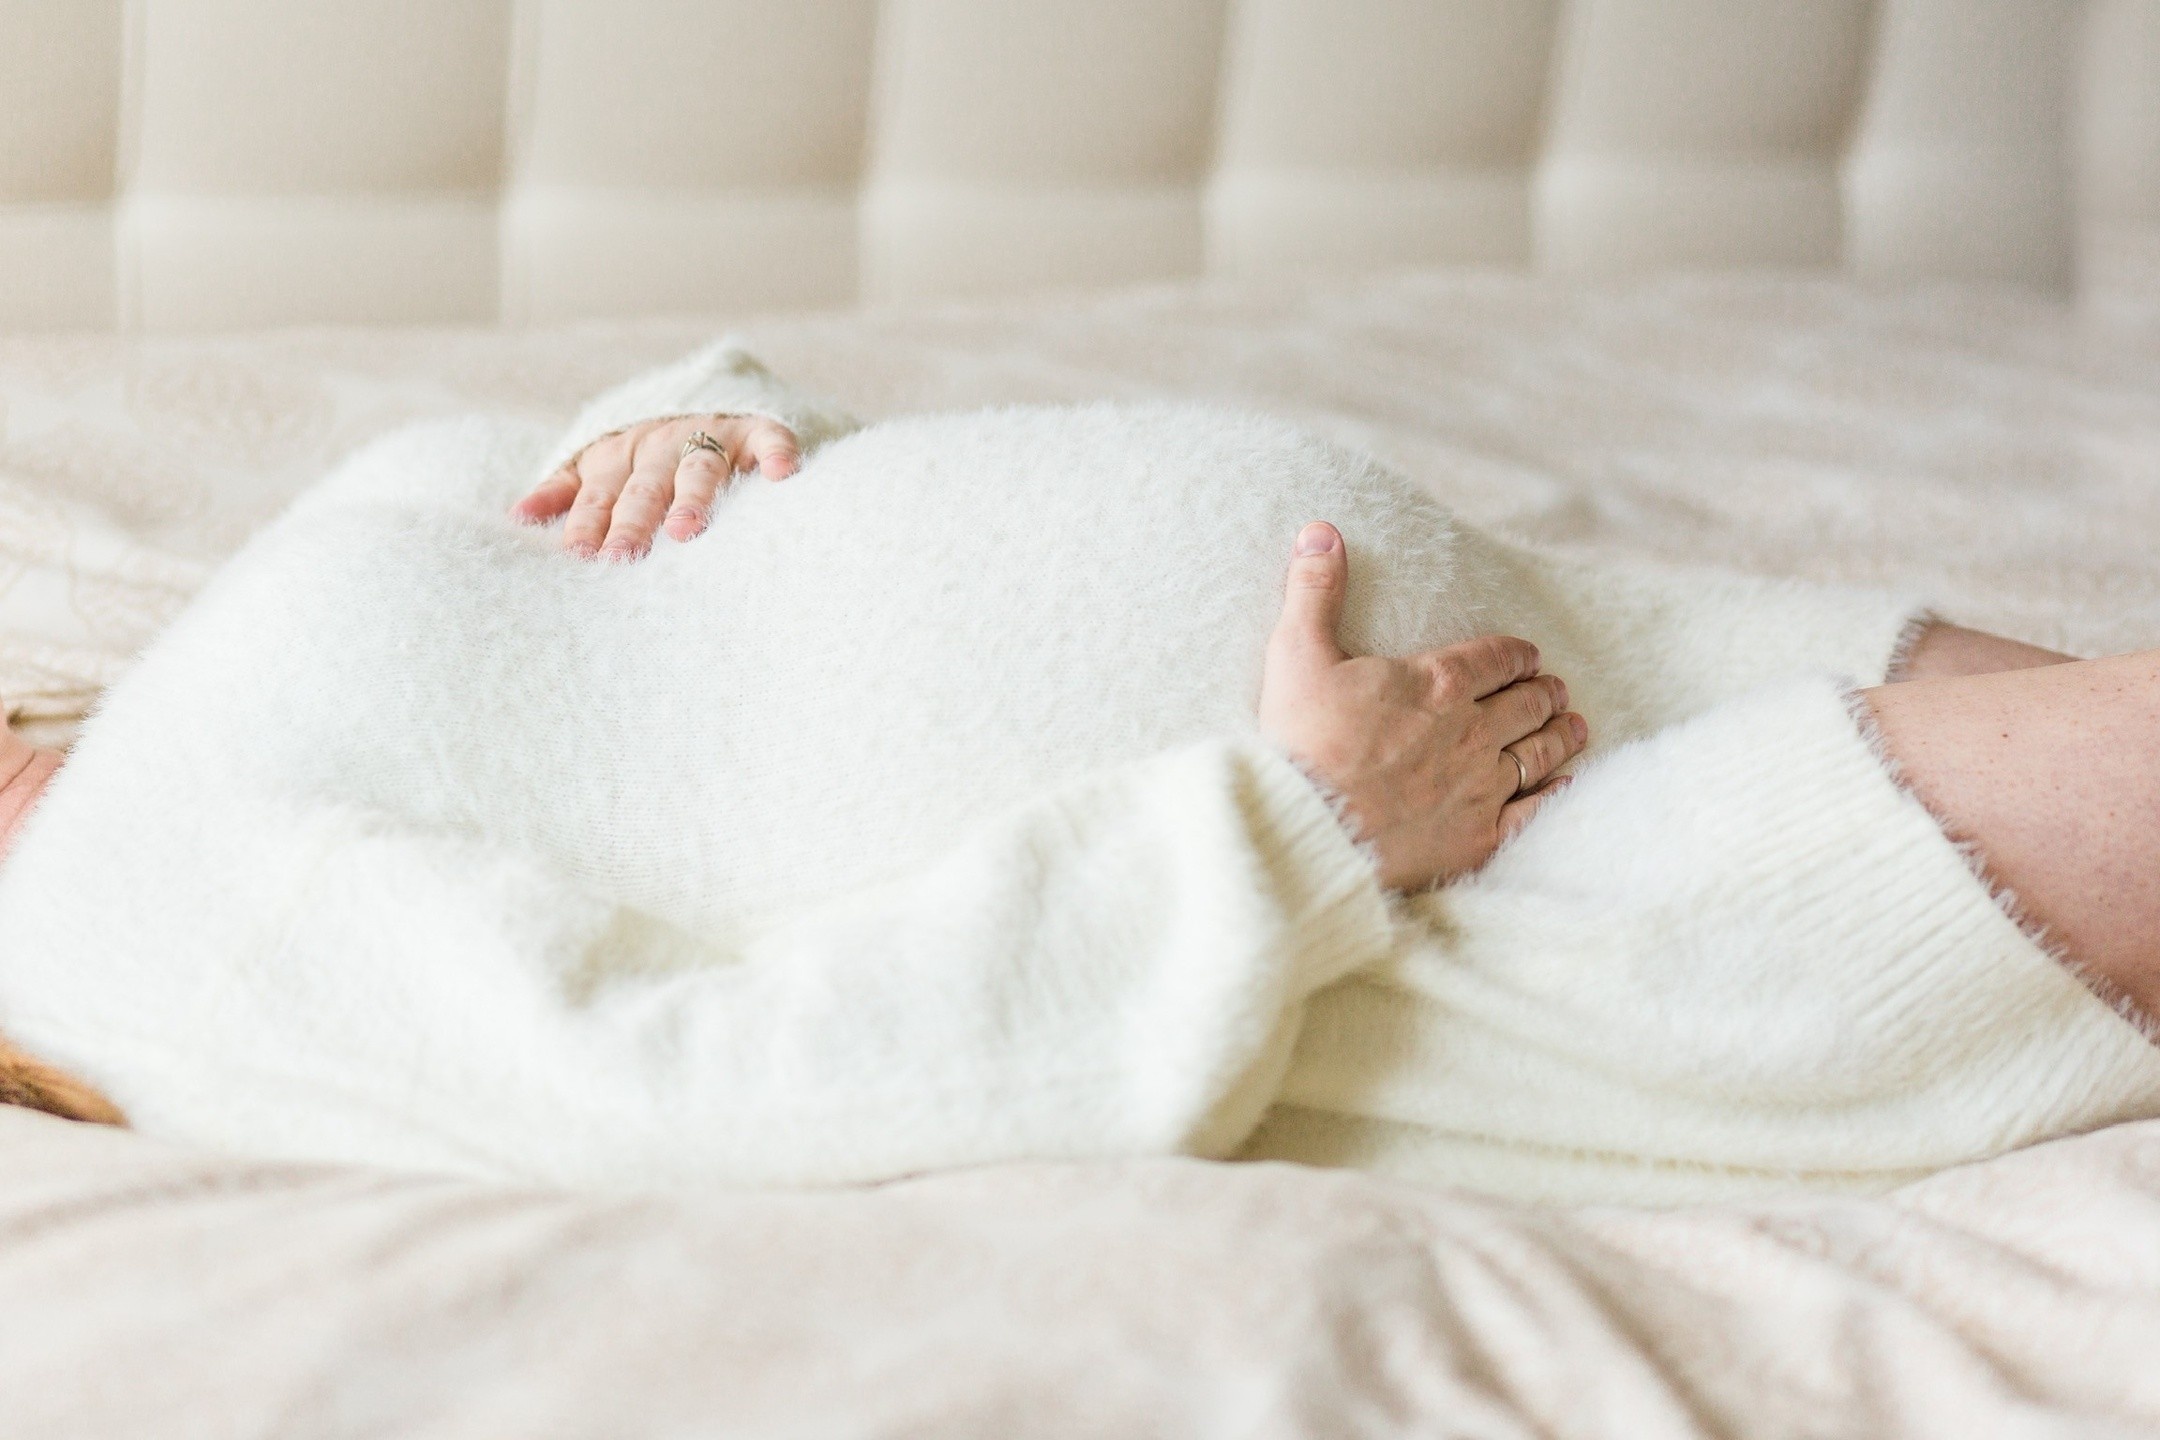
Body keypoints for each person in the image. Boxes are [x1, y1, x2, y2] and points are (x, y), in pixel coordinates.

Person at [0, 343, 2152, 1207]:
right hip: (1457, 895)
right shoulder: (98, 936)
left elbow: (594, 587)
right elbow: (691, 1090)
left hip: (1560, 641)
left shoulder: (145, 709)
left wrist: (686, 413)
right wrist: (1303, 831)